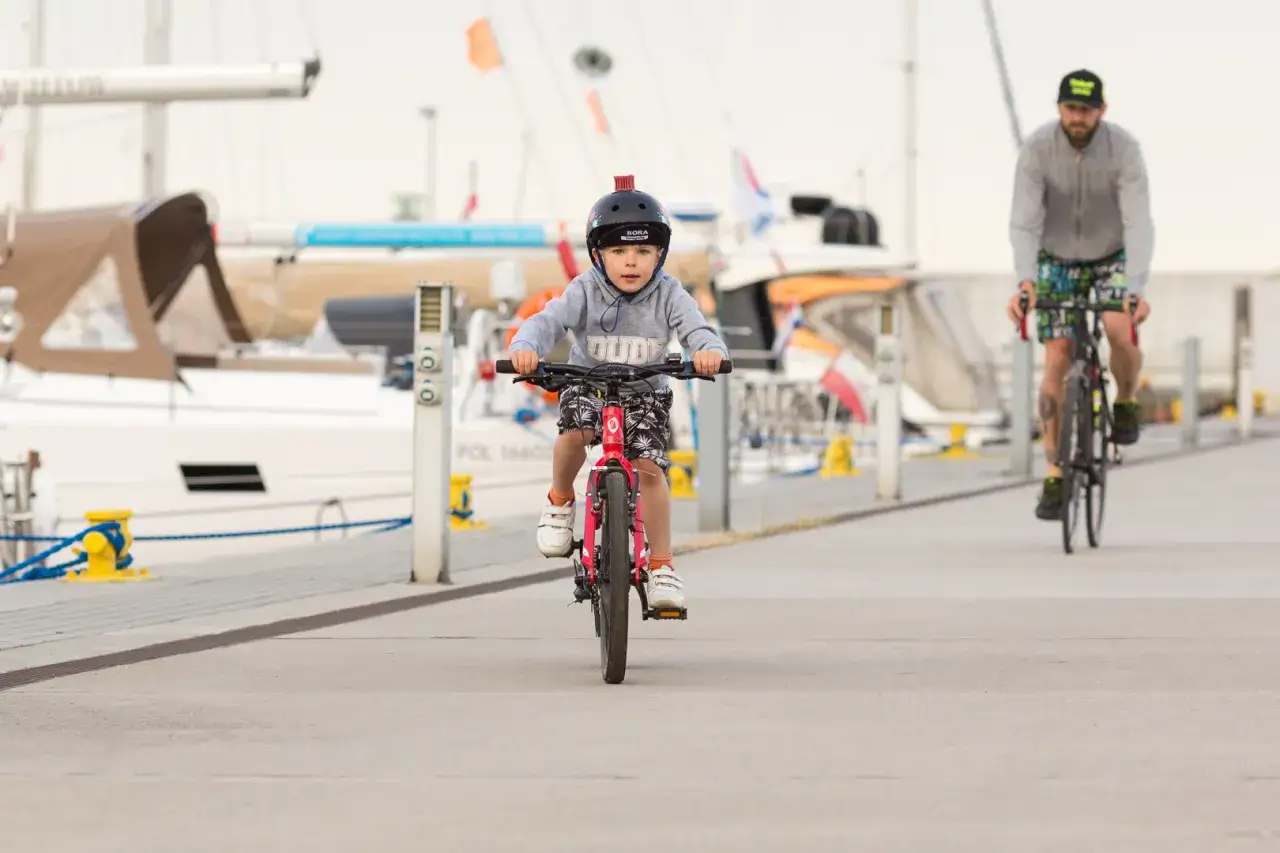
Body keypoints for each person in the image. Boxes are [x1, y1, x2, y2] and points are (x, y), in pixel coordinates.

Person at [506, 176, 729, 610]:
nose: (632, 262)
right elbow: (546, 322)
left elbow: (697, 329)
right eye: (619, 251)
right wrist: (524, 347)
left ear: (659, 255)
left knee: (649, 469)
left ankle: (662, 565)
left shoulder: (668, 292)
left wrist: (708, 351)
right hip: (587, 384)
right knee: (573, 435)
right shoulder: (585, 289)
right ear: (598, 254)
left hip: (645, 393)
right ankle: (560, 500)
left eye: (644, 252)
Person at [1006, 69, 1155, 521]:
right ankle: (1054, 474)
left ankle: (1125, 399)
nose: (1078, 117)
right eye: (1071, 108)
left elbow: (1139, 222)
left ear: (1101, 111)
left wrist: (1135, 288)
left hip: (1112, 254)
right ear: (1059, 108)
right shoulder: (1036, 150)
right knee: (1057, 357)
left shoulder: (1124, 150)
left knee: (1116, 327)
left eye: (1087, 110)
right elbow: (1024, 222)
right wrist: (1026, 282)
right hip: (1056, 259)